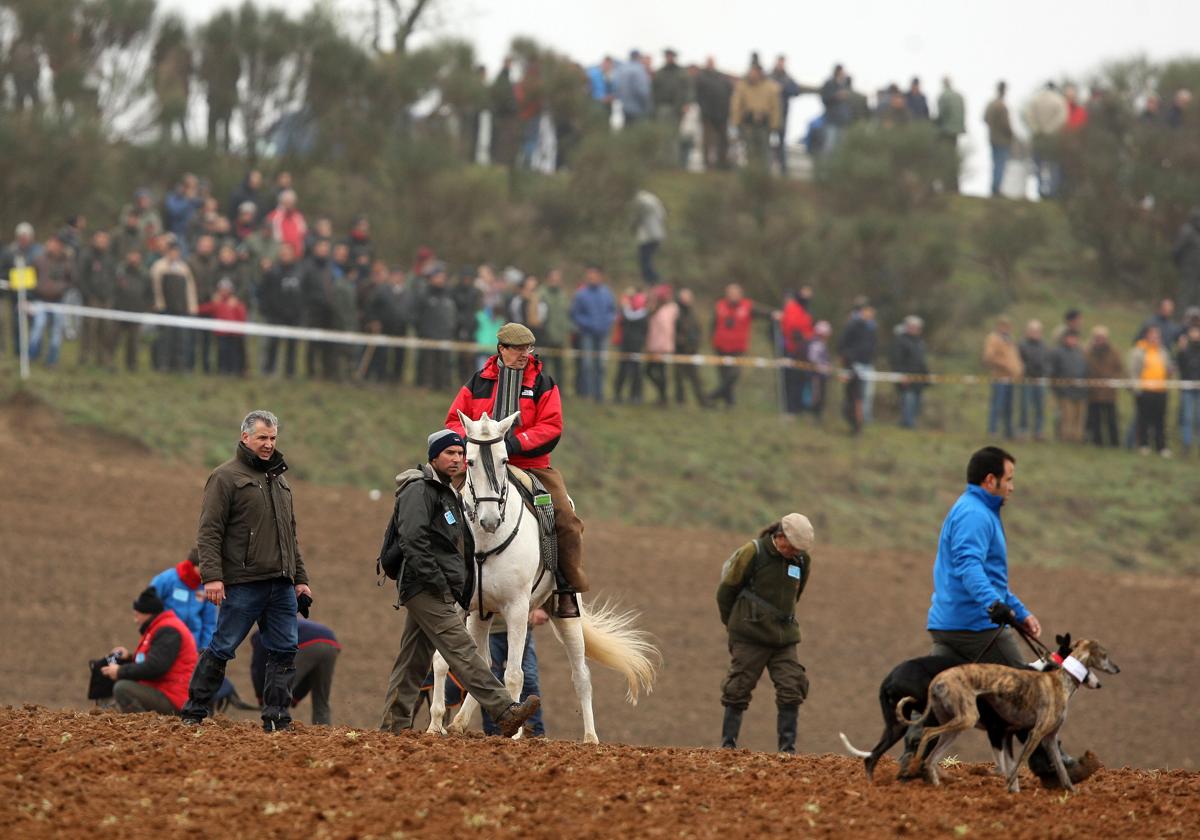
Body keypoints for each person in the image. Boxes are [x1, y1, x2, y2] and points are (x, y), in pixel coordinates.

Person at [925, 446, 1092, 787]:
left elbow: (991, 576)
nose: (1012, 487)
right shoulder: (975, 514)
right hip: (976, 626)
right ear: (991, 480)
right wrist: (996, 608)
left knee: (939, 694)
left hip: (948, 623)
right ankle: (1053, 768)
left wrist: (1020, 612)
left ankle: (911, 759)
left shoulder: (977, 509)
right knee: (1029, 690)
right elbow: (971, 568)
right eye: (1009, 479)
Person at [378, 429, 541, 735]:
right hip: (424, 587)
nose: (455, 459)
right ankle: (504, 710)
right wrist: (440, 583)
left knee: (412, 661)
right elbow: (414, 542)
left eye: (459, 454)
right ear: (433, 457)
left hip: (435, 587)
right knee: (462, 648)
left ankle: (393, 727)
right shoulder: (418, 490)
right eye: (448, 454)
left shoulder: (445, 492)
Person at [181, 410, 313, 731]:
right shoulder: (225, 477)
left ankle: (277, 717)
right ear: (245, 438)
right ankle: (193, 712)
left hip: (280, 585)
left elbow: (289, 537)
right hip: (243, 583)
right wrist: (211, 576)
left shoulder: (280, 482)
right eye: (262, 438)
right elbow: (209, 531)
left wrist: (300, 580)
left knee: (284, 650)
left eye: (272, 438)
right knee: (222, 647)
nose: (268, 444)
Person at [445, 324, 586, 619]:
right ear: (502, 349)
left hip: (530, 466)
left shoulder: (543, 382)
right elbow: (453, 422)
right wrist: (479, 442)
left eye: (528, 349)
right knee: (437, 502)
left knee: (565, 517)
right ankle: (433, 576)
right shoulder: (477, 382)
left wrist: (513, 443)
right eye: (518, 349)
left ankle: (565, 588)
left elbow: (551, 426)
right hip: (482, 464)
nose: (525, 354)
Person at [717, 513, 815, 754]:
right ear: (779, 537)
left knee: (792, 687)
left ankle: (787, 750)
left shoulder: (801, 560)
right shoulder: (753, 552)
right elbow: (726, 591)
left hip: (784, 638)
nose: (795, 553)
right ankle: (728, 746)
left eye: (798, 550)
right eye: (791, 547)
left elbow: (795, 595)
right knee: (738, 688)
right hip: (749, 635)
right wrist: (734, 625)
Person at [102, 587, 198, 715]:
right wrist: (129, 658)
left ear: (147, 612)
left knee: (123, 688)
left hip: (173, 697)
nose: (135, 621)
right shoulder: (162, 627)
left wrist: (120, 671)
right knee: (117, 696)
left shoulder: (169, 631)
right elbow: (155, 659)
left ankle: (144, 729)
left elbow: (155, 667)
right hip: (164, 690)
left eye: (136, 615)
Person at [251, 617, 340, 726]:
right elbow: (309, 675)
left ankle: (274, 735)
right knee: (321, 702)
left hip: (305, 643)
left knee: (276, 696)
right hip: (331, 644)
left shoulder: (260, 634)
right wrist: (297, 696)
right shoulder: (286, 623)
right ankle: (327, 737)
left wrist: (262, 696)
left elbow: (258, 667)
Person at [708, 283, 773, 407]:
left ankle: (715, 394)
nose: (733, 295)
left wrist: (773, 314)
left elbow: (763, 313)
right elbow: (713, 324)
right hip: (720, 346)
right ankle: (729, 402)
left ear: (740, 294)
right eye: (730, 293)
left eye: (735, 293)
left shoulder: (747, 306)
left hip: (738, 347)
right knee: (724, 375)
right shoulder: (720, 305)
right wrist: (712, 339)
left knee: (734, 374)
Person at [150, 547, 216, 651]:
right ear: (193, 565)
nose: (208, 572)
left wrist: (204, 649)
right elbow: (149, 603)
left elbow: (209, 622)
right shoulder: (168, 579)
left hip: (192, 645)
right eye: (205, 568)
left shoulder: (208, 587)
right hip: (165, 641)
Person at [149, 236, 198, 372]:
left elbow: (190, 289)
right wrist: (159, 305)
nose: (174, 254)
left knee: (181, 339)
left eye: (176, 251)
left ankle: (180, 365)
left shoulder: (183, 268)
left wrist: (192, 307)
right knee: (165, 338)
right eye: (172, 251)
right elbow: (156, 287)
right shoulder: (159, 266)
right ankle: (163, 364)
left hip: (181, 309)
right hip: (165, 309)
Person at [570, 265, 617, 402]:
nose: (592, 278)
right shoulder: (581, 294)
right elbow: (575, 314)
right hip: (587, 334)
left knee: (601, 365)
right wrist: (588, 324)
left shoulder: (607, 293)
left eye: (594, 275)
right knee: (588, 365)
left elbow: (612, 311)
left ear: (600, 276)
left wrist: (607, 322)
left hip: (603, 334)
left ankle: (599, 394)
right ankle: (587, 394)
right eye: (589, 276)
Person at [1130, 326, 1173, 457]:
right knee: (1144, 419)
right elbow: (1133, 371)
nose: (1156, 338)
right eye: (1153, 335)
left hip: (1161, 390)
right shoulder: (1139, 351)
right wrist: (1136, 388)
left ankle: (1161, 446)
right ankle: (1144, 445)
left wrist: (1170, 371)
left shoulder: (1163, 351)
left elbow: (1167, 369)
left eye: (1158, 336)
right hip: (1145, 391)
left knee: (1160, 420)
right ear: (1147, 336)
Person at [730, 62, 781, 168]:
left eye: (755, 72)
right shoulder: (743, 86)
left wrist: (775, 124)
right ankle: (750, 173)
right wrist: (736, 121)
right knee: (749, 150)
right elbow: (736, 105)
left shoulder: (770, 87)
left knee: (764, 150)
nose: (753, 75)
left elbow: (776, 107)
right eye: (752, 72)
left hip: (764, 124)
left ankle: (763, 174)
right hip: (748, 122)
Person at [838, 303, 878, 433]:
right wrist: (849, 360)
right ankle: (855, 420)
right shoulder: (853, 325)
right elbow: (843, 344)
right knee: (855, 395)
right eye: (868, 311)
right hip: (855, 364)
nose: (870, 314)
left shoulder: (872, 328)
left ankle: (864, 418)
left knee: (867, 393)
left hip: (868, 363)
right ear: (862, 312)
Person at [983, 317, 1023, 439]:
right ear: (999, 326)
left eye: (1008, 326)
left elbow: (1014, 358)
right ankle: (993, 430)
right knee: (997, 405)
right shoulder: (993, 339)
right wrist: (1005, 365)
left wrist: (1018, 368)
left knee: (1009, 406)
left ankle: (1008, 431)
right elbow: (989, 357)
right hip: (999, 377)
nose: (1006, 328)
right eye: (1003, 325)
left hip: (1010, 378)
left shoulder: (1010, 340)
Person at [1085, 326, 1123, 448]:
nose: (1100, 340)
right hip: (1094, 392)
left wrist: (1113, 379)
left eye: (1102, 338)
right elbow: (1085, 369)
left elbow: (1119, 368)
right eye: (1098, 338)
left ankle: (1114, 442)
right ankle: (1097, 442)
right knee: (1095, 419)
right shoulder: (1088, 352)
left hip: (1109, 392)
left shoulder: (1114, 352)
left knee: (1111, 419)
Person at [779, 288, 814, 417]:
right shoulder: (792, 308)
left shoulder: (806, 312)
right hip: (791, 349)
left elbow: (809, 329)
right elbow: (789, 327)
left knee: (801, 380)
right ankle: (789, 408)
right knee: (790, 380)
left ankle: (798, 407)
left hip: (804, 351)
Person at [1048, 330, 1088, 443]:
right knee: (1066, 417)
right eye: (1070, 337)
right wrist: (1057, 388)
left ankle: (1078, 438)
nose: (1073, 340)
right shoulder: (1057, 352)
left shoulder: (1080, 352)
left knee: (1079, 418)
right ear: (1065, 338)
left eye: (1075, 338)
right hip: (1065, 391)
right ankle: (1065, 438)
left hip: (1081, 391)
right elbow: (1052, 373)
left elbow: (1085, 370)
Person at [891, 315, 929, 429]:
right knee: (908, 400)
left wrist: (927, 375)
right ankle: (907, 423)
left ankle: (911, 422)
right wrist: (901, 375)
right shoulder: (900, 341)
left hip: (919, 378)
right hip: (906, 377)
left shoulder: (919, 342)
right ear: (908, 327)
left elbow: (922, 361)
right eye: (914, 327)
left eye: (918, 327)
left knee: (917, 402)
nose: (917, 329)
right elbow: (896, 360)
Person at [613, 287, 650, 404]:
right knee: (623, 371)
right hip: (626, 345)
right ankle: (619, 394)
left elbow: (631, 319)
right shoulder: (628, 310)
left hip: (635, 346)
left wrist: (625, 306)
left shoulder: (642, 314)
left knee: (636, 372)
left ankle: (635, 395)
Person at [644, 284, 679, 405]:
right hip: (652, 345)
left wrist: (664, 346)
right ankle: (662, 395)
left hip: (663, 347)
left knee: (660, 371)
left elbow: (667, 329)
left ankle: (663, 397)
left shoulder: (671, 309)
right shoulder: (654, 308)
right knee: (648, 371)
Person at [673, 287, 708, 407]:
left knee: (695, 378)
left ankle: (703, 401)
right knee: (678, 377)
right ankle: (680, 401)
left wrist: (696, 342)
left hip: (692, 350)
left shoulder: (692, 313)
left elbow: (697, 329)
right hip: (679, 350)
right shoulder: (676, 312)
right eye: (684, 297)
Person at [695, 58, 732, 170]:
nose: (710, 65)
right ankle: (707, 164)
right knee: (708, 140)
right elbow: (697, 96)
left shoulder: (722, 78)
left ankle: (722, 163)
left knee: (723, 140)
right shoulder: (700, 78)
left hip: (722, 114)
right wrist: (704, 109)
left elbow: (730, 92)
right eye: (709, 62)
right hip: (708, 114)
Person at [1017, 320, 1048, 441]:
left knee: (1040, 407)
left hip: (1040, 380)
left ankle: (1039, 431)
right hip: (1027, 379)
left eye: (1038, 331)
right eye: (1033, 331)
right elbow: (1020, 362)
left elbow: (1047, 361)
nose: (1035, 333)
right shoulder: (1022, 345)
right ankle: (1023, 430)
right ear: (1028, 332)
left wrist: (1045, 373)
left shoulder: (1043, 346)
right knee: (1025, 406)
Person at [935, 77, 966, 192]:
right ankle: (955, 185)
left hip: (946, 131)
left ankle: (948, 185)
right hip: (957, 131)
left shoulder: (943, 96)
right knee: (954, 157)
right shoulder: (959, 96)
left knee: (946, 158)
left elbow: (941, 114)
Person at [984, 82, 1014, 197]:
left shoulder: (991, 105)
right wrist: (1011, 135)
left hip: (992, 138)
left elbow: (985, 118)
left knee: (995, 163)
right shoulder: (1002, 106)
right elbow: (1006, 125)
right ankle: (996, 189)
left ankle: (994, 187)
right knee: (1000, 164)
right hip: (1002, 140)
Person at [633, 190, 666, 284]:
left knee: (645, 259)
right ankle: (651, 279)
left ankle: (653, 279)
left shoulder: (646, 201)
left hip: (649, 238)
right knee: (645, 259)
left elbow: (645, 204)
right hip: (651, 237)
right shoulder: (656, 206)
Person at [1177, 321, 1200, 454]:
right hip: (1187, 388)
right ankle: (1186, 444)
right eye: (1193, 331)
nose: (1196, 334)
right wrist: (1180, 350)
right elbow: (1180, 366)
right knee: (1187, 417)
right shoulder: (1185, 350)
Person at [1172, 208, 1200, 309]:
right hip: (1188, 269)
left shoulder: (1197, 233)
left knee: (1196, 295)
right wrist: (1181, 264)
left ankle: (1194, 319)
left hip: (1197, 270)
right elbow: (1177, 250)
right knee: (1185, 293)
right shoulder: (1187, 231)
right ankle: (1179, 316)